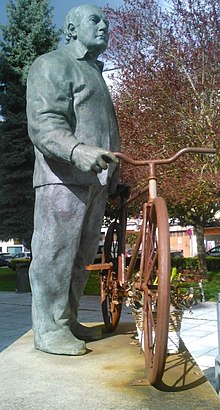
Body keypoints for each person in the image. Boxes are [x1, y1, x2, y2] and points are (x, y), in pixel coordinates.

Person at [26, 4, 120, 356]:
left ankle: (67, 320)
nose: (103, 27)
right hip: (61, 178)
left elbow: (106, 130)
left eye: (106, 22)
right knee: (55, 255)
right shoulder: (52, 64)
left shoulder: (94, 71)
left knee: (81, 257)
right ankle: (49, 330)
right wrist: (77, 149)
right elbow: (44, 123)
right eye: (95, 20)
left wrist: (115, 176)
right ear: (71, 27)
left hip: (94, 181)